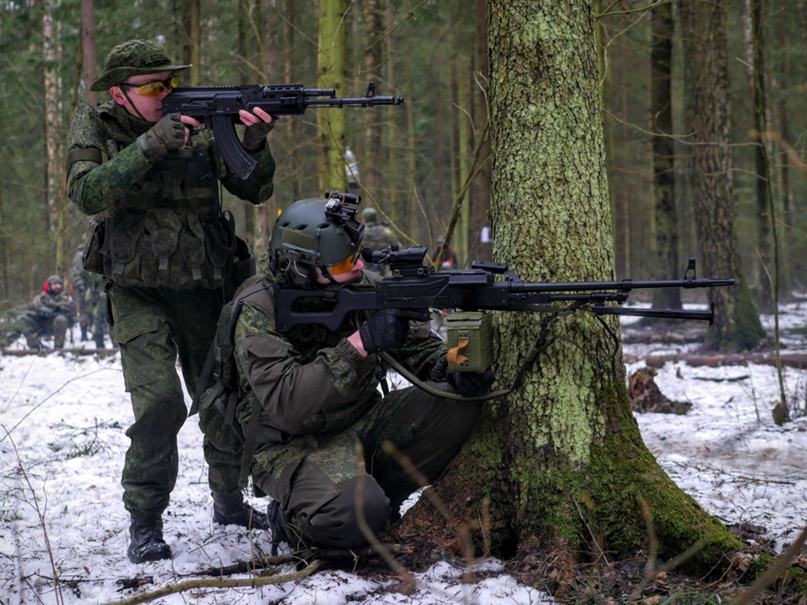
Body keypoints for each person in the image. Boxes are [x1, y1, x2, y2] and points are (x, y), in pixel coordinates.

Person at [65, 38, 276, 563]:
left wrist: (252, 142)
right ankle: (144, 519)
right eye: (154, 86)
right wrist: (151, 144)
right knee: (160, 403)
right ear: (119, 92)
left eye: (171, 84)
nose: (167, 93)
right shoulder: (96, 125)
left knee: (221, 398)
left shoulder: (204, 127)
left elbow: (256, 190)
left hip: (206, 286)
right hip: (139, 291)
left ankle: (229, 501)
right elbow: (87, 193)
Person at [219, 194, 494, 552]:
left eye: (357, 255)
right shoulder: (258, 310)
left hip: (363, 422)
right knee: (357, 515)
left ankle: (371, 496)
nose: (358, 268)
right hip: (293, 445)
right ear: (301, 265)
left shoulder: (360, 288)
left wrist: (457, 367)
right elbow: (286, 403)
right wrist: (359, 345)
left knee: (458, 404)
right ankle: (293, 520)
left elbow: (422, 351)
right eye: (344, 262)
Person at [18, 275, 76, 350]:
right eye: (55, 284)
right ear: (49, 285)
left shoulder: (65, 297)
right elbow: (32, 305)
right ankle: (35, 346)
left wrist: (54, 307)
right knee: (23, 318)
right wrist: (41, 308)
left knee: (61, 319)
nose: (57, 286)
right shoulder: (42, 296)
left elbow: (69, 308)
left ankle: (58, 349)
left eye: (59, 284)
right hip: (41, 323)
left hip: (54, 325)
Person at [360, 207, 399, 275]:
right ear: (376, 218)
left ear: (364, 219)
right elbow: (396, 250)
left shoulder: (359, 233)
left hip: (365, 273)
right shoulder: (387, 232)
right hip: (385, 272)